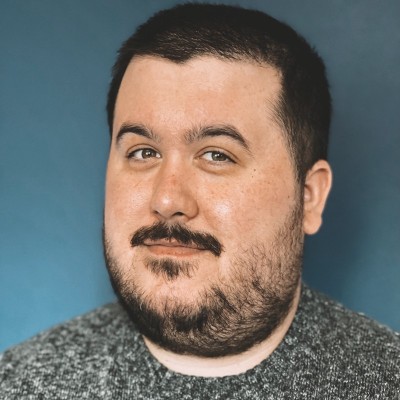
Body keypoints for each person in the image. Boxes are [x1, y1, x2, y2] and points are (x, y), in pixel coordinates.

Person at [1, 3, 399, 399]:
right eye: (143, 152)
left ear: (309, 197)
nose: (167, 199)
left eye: (217, 155)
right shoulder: (18, 384)